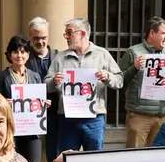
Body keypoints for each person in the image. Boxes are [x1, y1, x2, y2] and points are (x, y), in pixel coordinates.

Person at [45, 18, 123, 152]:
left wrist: (108, 76)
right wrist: (54, 81)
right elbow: (46, 84)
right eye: (65, 34)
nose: (66, 37)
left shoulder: (101, 54)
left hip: (94, 118)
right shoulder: (60, 57)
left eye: (69, 33)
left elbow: (119, 80)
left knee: (93, 160)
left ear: (82, 33)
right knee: (66, 160)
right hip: (67, 118)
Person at [119, 16, 165, 147]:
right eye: (164, 33)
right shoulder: (133, 52)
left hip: (164, 115)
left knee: (158, 157)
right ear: (152, 33)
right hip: (139, 115)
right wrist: (135, 68)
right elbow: (120, 81)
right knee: (135, 155)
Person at [0, 35, 51, 162]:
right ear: (9, 55)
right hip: (12, 131)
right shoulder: (1, 77)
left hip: (32, 131)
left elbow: (37, 102)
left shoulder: (35, 76)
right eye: (15, 52)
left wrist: (44, 104)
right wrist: (4, 104)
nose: (19, 55)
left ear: (28, 55)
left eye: (23, 52)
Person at [26, 17, 61, 162]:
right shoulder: (23, 57)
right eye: (36, 38)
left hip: (54, 109)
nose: (40, 42)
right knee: (31, 149)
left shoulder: (59, 57)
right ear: (30, 37)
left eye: (43, 37)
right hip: (31, 110)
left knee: (54, 149)